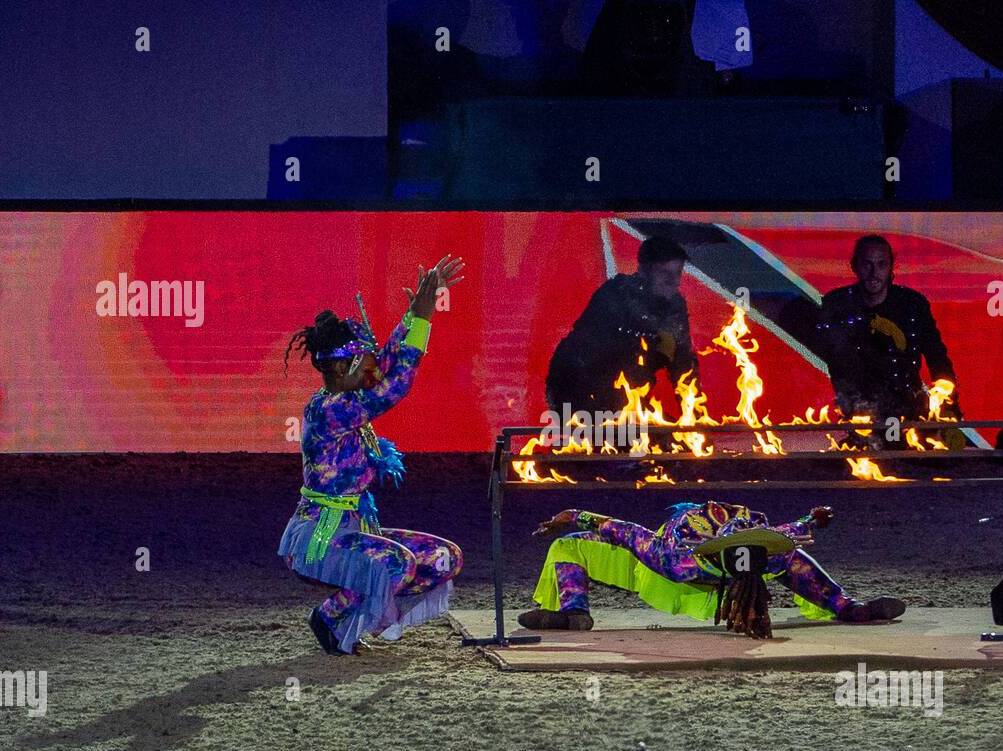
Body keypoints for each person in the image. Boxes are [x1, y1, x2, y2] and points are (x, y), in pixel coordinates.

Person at [278, 256, 466, 655]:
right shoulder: (330, 409)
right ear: (341, 366)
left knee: (442, 558)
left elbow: (390, 358)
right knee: (397, 564)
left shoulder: (347, 394)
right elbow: (395, 384)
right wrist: (425, 320)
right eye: (364, 362)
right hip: (321, 538)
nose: (373, 367)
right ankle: (331, 615)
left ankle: (341, 613)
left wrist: (418, 312)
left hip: (358, 527)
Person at [517, 500, 905, 637]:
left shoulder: (675, 558)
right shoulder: (769, 553)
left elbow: (621, 530)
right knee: (793, 558)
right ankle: (848, 607)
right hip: (697, 564)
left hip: (667, 569)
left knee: (567, 547)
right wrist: (814, 518)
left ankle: (573, 612)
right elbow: (793, 529)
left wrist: (573, 515)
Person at [811, 235, 960, 438]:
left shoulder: (912, 304)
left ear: (891, 267)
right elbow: (833, 359)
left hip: (909, 407)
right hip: (859, 409)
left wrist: (949, 404)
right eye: (867, 264)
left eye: (881, 264)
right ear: (855, 266)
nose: (874, 273)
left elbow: (937, 357)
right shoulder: (838, 304)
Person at [545, 235, 699, 424]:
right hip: (581, 397)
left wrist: (696, 417)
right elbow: (578, 362)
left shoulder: (675, 308)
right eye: (663, 273)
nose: (672, 281)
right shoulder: (614, 297)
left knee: (676, 444)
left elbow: (682, 365)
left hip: (629, 403)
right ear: (643, 271)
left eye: (677, 273)